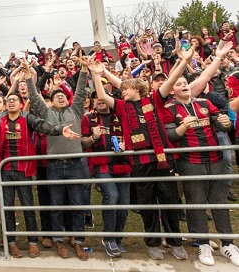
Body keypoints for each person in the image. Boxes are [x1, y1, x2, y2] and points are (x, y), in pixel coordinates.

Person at [0, 90, 78, 259]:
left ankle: (32, 242)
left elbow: (44, 125)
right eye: (9, 100)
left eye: (15, 100)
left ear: (21, 104)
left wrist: (60, 129)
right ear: (5, 105)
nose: (11, 102)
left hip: (23, 170)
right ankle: (10, 242)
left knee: (28, 207)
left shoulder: (28, 118)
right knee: (7, 208)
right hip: (4, 170)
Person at [91, 49, 189, 260]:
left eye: (125, 89)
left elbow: (171, 80)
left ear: (136, 88)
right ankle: (153, 242)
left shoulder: (154, 100)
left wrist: (185, 61)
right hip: (140, 162)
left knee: (170, 202)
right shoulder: (122, 107)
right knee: (147, 205)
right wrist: (97, 75)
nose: (121, 91)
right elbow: (101, 95)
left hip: (163, 161)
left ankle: (175, 242)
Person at [162, 42, 239, 267]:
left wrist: (225, 123)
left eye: (186, 82)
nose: (184, 85)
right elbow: (171, 137)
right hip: (190, 163)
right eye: (179, 83)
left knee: (219, 202)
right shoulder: (169, 110)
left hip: (215, 160)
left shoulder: (205, 103)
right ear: (172, 90)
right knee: (196, 204)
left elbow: (222, 125)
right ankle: (203, 244)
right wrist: (183, 127)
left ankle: (228, 244)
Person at [28, 56, 91, 260]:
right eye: (56, 96)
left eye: (63, 95)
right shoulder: (47, 114)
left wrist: (83, 69)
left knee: (77, 204)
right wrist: (29, 79)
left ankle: (79, 241)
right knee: (56, 205)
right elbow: (35, 98)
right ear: (52, 102)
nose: (60, 97)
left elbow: (81, 92)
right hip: (54, 166)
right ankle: (58, 240)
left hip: (76, 164)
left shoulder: (76, 110)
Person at [81, 91, 131, 257]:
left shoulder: (121, 116)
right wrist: (94, 137)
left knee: (124, 204)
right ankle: (108, 238)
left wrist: (126, 144)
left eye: (103, 97)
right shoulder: (88, 118)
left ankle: (117, 239)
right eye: (96, 98)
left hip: (122, 165)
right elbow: (83, 142)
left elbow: (131, 136)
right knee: (112, 196)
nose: (99, 100)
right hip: (101, 165)